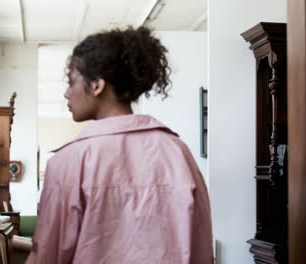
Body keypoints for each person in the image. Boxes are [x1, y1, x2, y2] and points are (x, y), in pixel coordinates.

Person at [26, 26, 213, 264]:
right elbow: (202, 248)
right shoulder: (178, 153)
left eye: (71, 82)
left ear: (96, 86)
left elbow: (47, 257)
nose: (66, 94)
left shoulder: (69, 162)